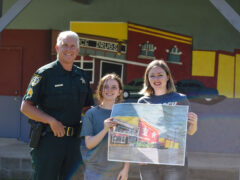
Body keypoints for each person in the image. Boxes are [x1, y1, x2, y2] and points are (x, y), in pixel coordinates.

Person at [20, 31, 94, 180]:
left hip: (73, 142)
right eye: (64, 45)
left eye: (73, 46)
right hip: (48, 141)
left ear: (78, 51)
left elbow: (87, 109)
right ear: (57, 48)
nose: (68, 49)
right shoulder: (44, 73)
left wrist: (107, 117)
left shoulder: (82, 76)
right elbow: (25, 107)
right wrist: (51, 121)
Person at [137, 60, 198, 180]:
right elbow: (139, 133)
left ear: (168, 76)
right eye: (152, 76)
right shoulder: (142, 102)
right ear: (147, 79)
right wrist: (138, 154)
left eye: (160, 74)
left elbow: (190, 132)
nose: (156, 79)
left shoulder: (180, 99)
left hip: (173, 161)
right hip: (149, 160)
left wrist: (194, 123)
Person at [80, 73, 130, 180]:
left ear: (119, 92)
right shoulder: (91, 114)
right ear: (101, 90)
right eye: (106, 87)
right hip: (94, 170)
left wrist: (125, 169)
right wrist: (105, 129)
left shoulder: (124, 114)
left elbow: (128, 145)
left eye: (114, 87)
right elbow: (89, 144)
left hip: (116, 171)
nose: (109, 90)